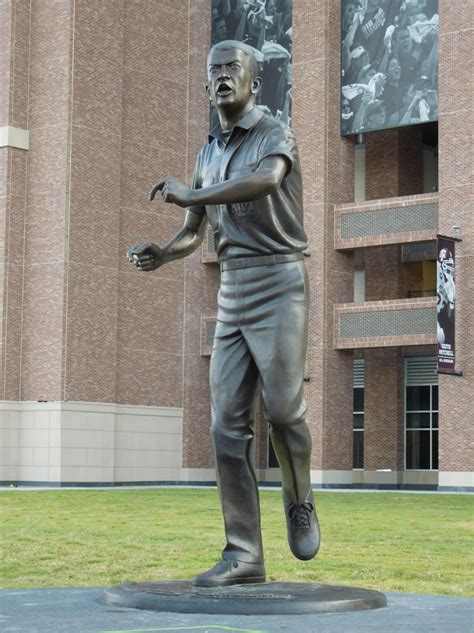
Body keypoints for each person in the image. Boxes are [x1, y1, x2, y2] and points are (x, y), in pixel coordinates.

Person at [127, 40, 319, 588]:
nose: (222, 76)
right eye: (214, 70)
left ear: (254, 82)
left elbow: (264, 181)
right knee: (224, 428)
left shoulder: (274, 132)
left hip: (280, 280)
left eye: (233, 68)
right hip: (232, 290)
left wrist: (190, 196)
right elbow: (195, 234)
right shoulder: (207, 151)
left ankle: (300, 501)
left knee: (283, 411)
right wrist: (164, 252)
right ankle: (243, 552)